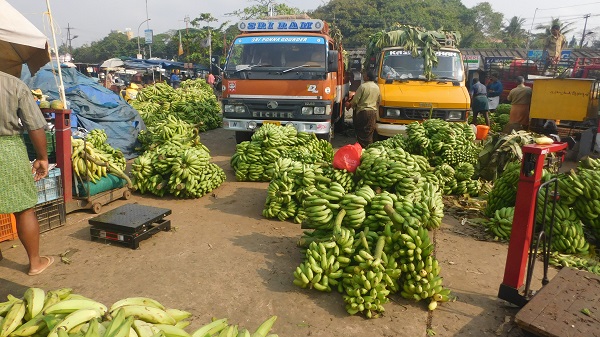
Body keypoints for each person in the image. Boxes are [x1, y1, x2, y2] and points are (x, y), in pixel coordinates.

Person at [0, 71, 54, 276]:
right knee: (24, 209)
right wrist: (42, 157)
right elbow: (35, 125)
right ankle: (35, 262)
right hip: (7, 150)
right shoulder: (13, 84)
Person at [345, 70, 381, 148]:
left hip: (363, 112)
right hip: (373, 112)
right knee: (369, 132)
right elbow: (379, 101)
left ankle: (362, 149)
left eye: (364, 75)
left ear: (367, 77)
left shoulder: (363, 86)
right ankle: (368, 148)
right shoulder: (377, 87)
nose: (363, 76)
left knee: (361, 132)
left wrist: (349, 105)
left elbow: (355, 100)